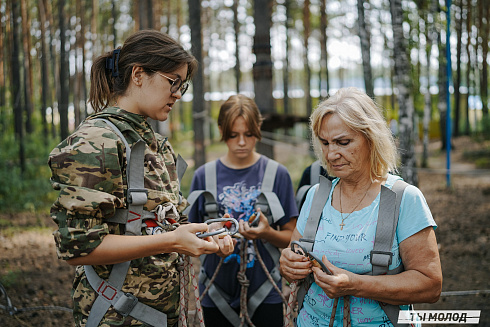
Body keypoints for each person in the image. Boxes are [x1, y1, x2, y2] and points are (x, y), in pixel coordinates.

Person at [48, 30, 234, 327]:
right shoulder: (95, 142)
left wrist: (203, 234)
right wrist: (173, 240)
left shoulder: (158, 145)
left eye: (182, 86)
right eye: (173, 81)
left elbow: (158, 224)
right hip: (116, 316)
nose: (177, 94)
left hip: (163, 315)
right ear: (138, 74)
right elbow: (77, 248)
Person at [279, 87, 442, 326]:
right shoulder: (316, 196)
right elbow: (293, 256)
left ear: (370, 138)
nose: (331, 154)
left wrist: (357, 285)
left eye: (343, 142)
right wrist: (288, 264)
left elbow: (430, 285)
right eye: (324, 143)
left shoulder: (404, 199)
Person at [187, 94, 299, 327]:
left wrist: (266, 233)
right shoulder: (203, 176)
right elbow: (189, 237)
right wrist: (213, 236)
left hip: (265, 288)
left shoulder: (277, 174)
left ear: (258, 128)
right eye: (233, 135)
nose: (241, 142)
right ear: (221, 130)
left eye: (248, 134)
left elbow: (293, 238)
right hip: (215, 288)